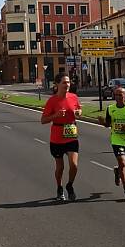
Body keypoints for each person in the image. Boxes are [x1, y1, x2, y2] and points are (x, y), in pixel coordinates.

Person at [41, 73, 83, 201]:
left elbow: (79, 110)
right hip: (57, 137)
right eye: (64, 82)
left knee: (74, 165)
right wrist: (56, 115)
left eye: (68, 82)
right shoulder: (52, 101)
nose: (67, 85)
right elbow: (43, 120)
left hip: (71, 134)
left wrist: (78, 112)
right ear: (57, 84)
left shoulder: (74, 97)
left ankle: (69, 185)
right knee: (60, 167)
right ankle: (59, 187)